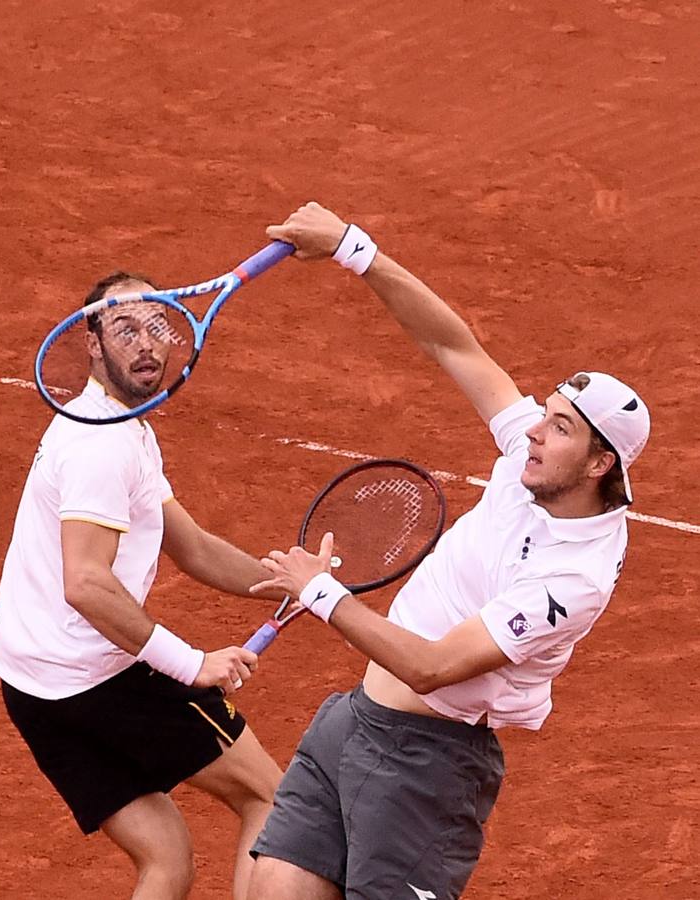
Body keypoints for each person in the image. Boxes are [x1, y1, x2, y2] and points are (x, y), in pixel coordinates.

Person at [244, 203, 652, 900]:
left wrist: (321, 593)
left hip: (424, 765)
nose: (534, 432)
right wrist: (353, 247)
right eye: (545, 413)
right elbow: (456, 346)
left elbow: (431, 668)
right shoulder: (537, 469)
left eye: (557, 426)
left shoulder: (573, 579)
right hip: (355, 723)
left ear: (596, 466)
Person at [0, 271, 286, 900]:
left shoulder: (120, 426)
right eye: (125, 328)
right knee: (270, 796)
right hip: (93, 680)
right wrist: (191, 664)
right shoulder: (102, 446)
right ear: (92, 342)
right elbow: (88, 585)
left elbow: (194, 547)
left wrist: (288, 583)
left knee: (168, 858)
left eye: (157, 325)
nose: (146, 343)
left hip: (31, 687)